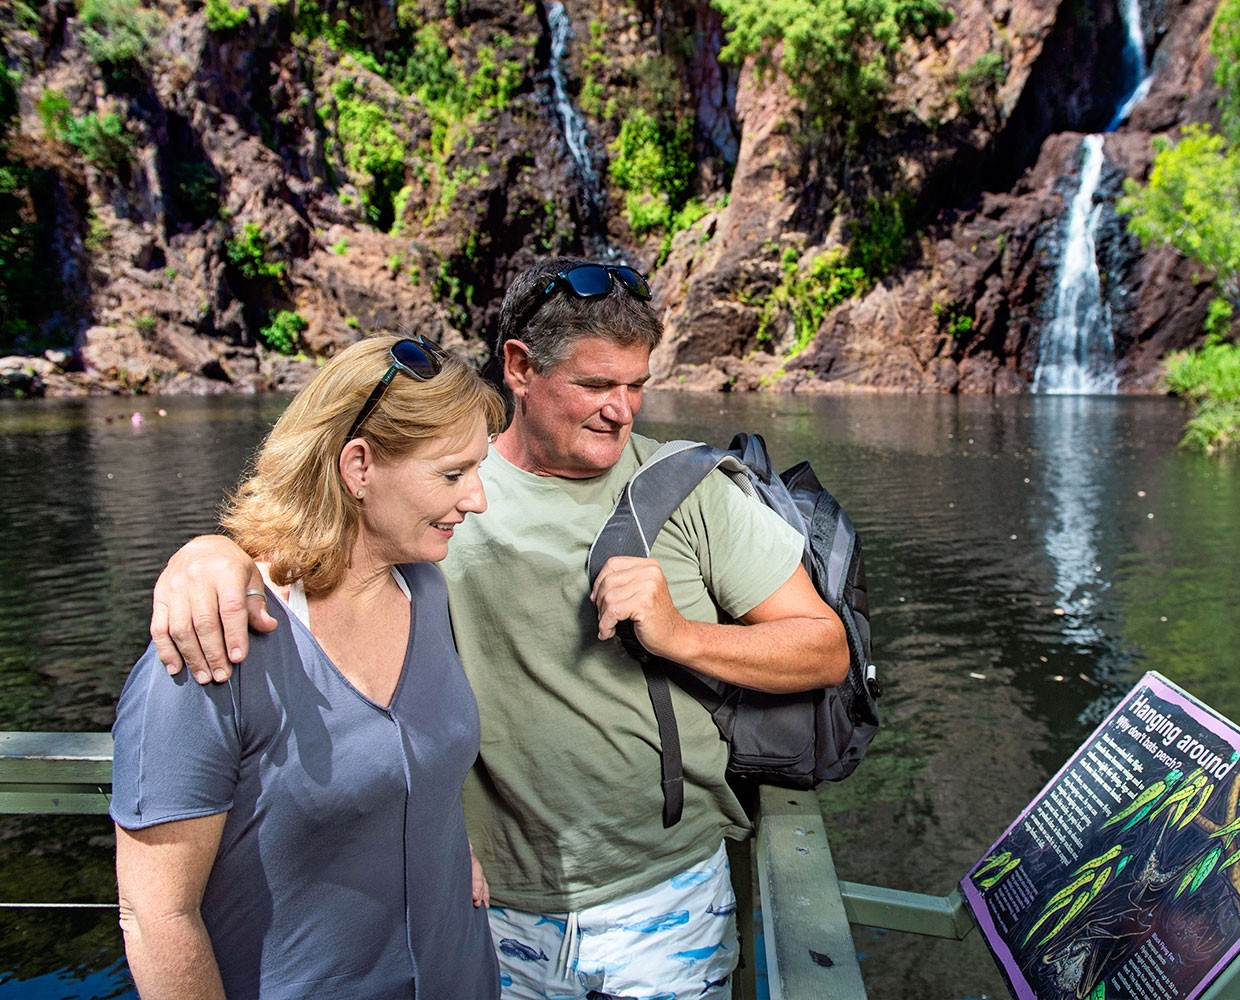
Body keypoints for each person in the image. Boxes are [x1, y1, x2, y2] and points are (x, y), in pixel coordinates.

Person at [146, 257, 850, 1000]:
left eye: (636, 385)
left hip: (665, 899)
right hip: (481, 904)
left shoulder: (692, 490)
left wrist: (681, 634)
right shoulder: (437, 496)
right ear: (518, 366)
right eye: (594, 385)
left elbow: (824, 647)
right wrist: (208, 554)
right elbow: (314, 553)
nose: (623, 410)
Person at [114, 335, 505, 1000]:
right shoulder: (212, 648)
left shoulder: (424, 590)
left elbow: (407, 756)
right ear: (358, 467)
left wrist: (437, 835)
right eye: (451, 474)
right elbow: (157, 917)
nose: (477, 499)